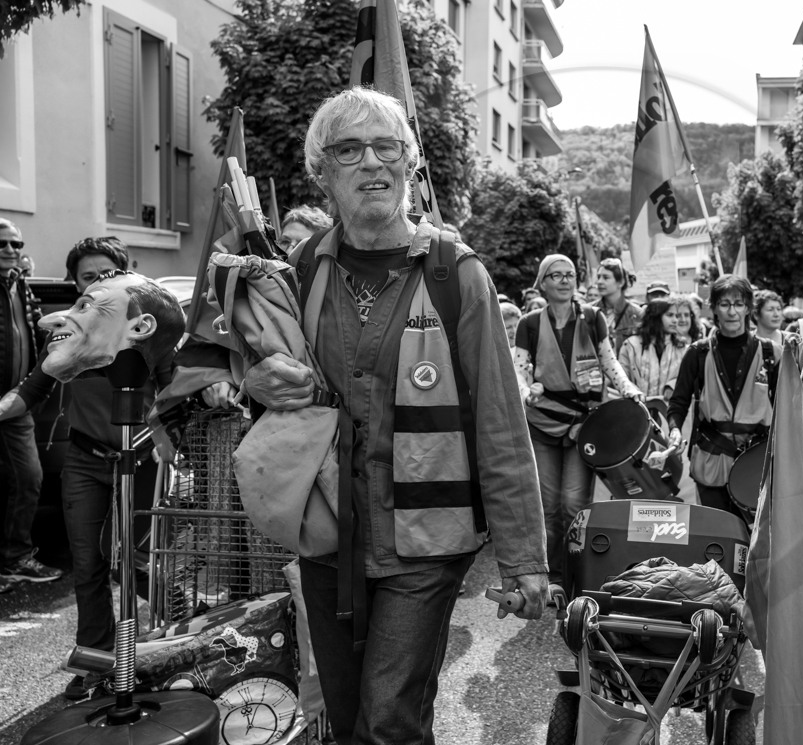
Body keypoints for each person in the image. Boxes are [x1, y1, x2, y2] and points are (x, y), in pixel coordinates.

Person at [243, 86, 547, 745]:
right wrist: (259, 378)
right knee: (348, 719)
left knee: (389, 717)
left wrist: (524, 557)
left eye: (389, 147)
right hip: (328, 533)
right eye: (350, 150)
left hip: (427, 540)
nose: (373, 163)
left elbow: (499, 420)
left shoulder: (455, 275)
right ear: (322, 172)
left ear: (411, 166)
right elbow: (267, 379)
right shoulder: (299, 271)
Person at [1, 245, 184, 700]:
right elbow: (30, 391)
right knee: (88, 565)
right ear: (76, 284)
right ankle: (98, 662)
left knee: (130, 559)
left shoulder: (146, 336)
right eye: (87, 278)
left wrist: (172, 444)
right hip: (84, 460)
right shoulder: (67, 340)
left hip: (139, 460)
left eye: (106, 275)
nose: (95, 282)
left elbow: (174, 396)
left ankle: (183, 616)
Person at [513, 254, 641, 593]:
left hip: (582, 425)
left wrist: (628, 389)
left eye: (569, 274)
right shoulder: (528, 323)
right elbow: (520, 369)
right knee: (548, 506)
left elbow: (609, 360)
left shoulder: (592, 317)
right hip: (541, 423)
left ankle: (578, 574)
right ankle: (553, 576)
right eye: (555, 275)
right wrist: (526, 391)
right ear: (542, 282)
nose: (564, 280)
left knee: (573, 504)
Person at [664, 274, 780, 516]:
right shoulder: (697, 353)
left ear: (748, 308)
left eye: (738, 304)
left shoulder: (772, 353)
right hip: (711, 459)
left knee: (754, 540)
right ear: (714, 308)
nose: (732, 312)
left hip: (756, 462)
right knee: (715, 537)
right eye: (725, 304)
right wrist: (674, 429)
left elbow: (788, 408)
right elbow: (678, 401)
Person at [0, 219, 60, 594]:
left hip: (15, 403)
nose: (10, 249)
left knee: (28, 479)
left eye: (15, 243)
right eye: (2, 244)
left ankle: (15, 558)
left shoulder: (19, 285)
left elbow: (36, 329)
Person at [618, 295, 691, 399]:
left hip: (669, 410)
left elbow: (688, 378)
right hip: (637, 409)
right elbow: (622, 378)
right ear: (655, 317)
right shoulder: (631, 346)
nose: (675, 320)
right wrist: (632, 391)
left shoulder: (682, 348)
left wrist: (673, 385)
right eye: (670, 315)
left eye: (676, 316)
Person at [595, 257, 643, 353]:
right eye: (598, 277)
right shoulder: (590, 311)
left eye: (606, 277)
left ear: (620, 282)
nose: (599, 282)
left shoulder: (637, 313)